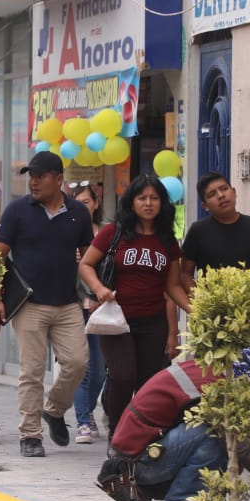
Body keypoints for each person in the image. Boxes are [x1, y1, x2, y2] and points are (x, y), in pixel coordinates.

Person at [97, 346, 250, 501]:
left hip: (139, 458)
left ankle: (177, 499)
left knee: (220, 439)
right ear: (247, 378)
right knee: (215, 436)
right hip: (139, 464)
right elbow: (238, 445)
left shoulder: (207, 370)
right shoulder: (213, 388)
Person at [0, 151, 94, 458]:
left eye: (40, 176)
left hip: (67, 304)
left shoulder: (79, 212)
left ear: (58, 179)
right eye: (30, 176)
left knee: (78, 363)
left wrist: (94, 288)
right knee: (32, 371)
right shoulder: (16, 212)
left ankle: (54, 409)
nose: (33, 182)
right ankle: (30, 435)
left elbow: (89, 254)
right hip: (30, 304)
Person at [79, 175, 192, 440]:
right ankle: (117, 433)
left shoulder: (168, 241)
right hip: (116, 320)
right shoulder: (113, 232)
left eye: (154, 198)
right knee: (123, 376)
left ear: (163, 203)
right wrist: (99, 289)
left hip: (153, 322)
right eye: (142, 198)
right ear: (131, 203)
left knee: (147, 384)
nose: (149, 203)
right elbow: (85, 265)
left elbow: (173, 286)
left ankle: (141, 436)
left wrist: (194, 310)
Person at [180, 172, 250, 291]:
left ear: (234, 192)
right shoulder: (198, 231)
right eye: (212, 194)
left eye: (224, 189)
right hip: (215, 306)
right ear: (205, 206)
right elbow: (185, 274)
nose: (221, 195)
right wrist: (200, 303)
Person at [69, 182, 106, 444]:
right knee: (83, 366)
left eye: (87, 202)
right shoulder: (65, 233)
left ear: (96, 203)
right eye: (77, 203)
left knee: (101, 369)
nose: (83, 207)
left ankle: (89, 411)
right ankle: (83, 420)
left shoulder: (106, 234)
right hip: (75, 308)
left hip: (103, 307)